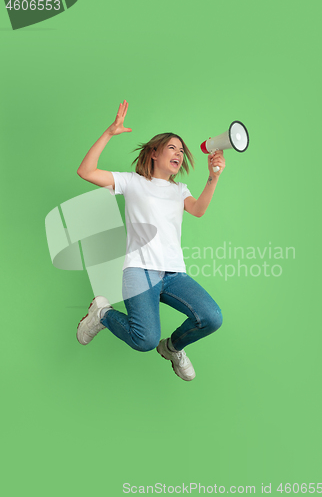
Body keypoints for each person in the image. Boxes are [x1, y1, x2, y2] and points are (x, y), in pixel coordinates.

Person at [76, 100, 225, 381]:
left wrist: (213, 177)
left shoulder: (180, 190)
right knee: (144, 340)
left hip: (173, 274)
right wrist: (109, 133)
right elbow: (86, 171)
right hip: (140, 271)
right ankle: (103, 313)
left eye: (182, 151)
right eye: (172, 147)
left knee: (211, 317)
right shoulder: (132, 182)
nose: (179, 154)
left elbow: (198, 210)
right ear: (154, 153)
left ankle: (172, 348)